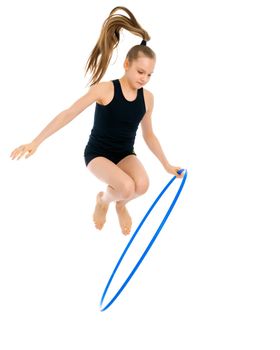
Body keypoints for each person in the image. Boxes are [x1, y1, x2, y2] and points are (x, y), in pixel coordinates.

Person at [10, 6, 183, 235]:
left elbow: (149, 135)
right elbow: (69, 113)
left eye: (150, 75)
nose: (145, 78)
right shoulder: (105, 90)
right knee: (125, 186)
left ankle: (120, 204)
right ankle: (103, 200)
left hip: (124, 154)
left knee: (142, 186)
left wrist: (167, 166)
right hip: (98, 155)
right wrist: (36, 141)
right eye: (141, 72)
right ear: (127, 65)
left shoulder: (148, 99)